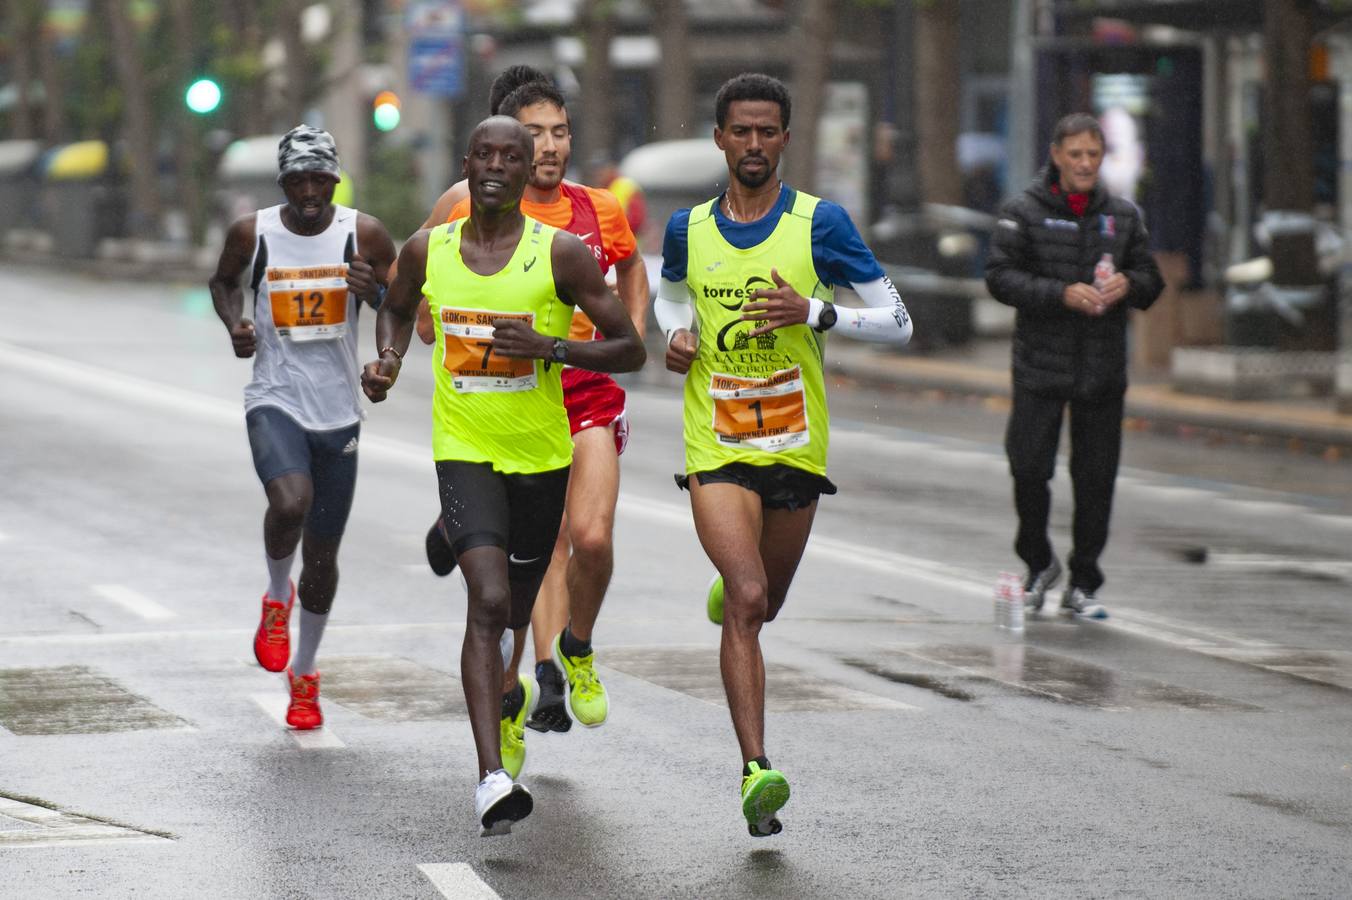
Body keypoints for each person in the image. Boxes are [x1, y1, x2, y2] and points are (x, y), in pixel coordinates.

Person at [361, 116, 644, 836]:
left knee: (516, 614)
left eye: (509, 157)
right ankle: (490, 779)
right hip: (463, 449)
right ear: (466, 165)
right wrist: (388, 363)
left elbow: (629, 349)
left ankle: (513, 690)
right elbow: (395, 310)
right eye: (483, 154)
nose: (495, 166)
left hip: (541, 457)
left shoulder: (564, 256)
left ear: (527, 173)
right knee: (486, 602)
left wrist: (550, 345)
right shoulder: (431, 248)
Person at [654, 73, 912, 837]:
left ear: (786, 140)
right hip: (717, 439)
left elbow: (898, 321)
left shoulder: (820, 225)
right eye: (742, 131)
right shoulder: (687, 228)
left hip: (796, 443)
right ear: (720, 138)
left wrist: (817, 311)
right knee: (749, 598)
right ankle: (755, 770)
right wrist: (674, 335)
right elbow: (667, 292)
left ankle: (740, 587)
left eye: (769, 132)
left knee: (767, 599)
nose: (755, 144)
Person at [414, 77, 649, 743]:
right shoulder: (465, 202)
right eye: (535, 134)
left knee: (593, 539)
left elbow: (630, 267)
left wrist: (629, 326)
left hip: (587, 392)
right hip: (502, 407)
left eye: (560, 132)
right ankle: (525, 689)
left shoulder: (599, 209)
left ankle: (576, 646)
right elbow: (418, 265)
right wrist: (424, 318)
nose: (550, 147)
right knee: (532, 561)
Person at [208, 125, 396, 729]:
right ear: (284, 183)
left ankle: (306, 673)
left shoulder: (361, 233)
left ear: (334, 180)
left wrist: (383, 332)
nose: (310, 191)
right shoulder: (253, 232)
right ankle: (272, 595)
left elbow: (400, 298)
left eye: (320, 179)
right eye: (298, 180)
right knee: (290, 500)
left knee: (323, 558)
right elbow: (222, 280)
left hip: (338, 410)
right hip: (275, 397)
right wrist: (236, 323)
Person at [984, 112, 1164, 620]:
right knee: (1028, 468)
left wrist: (1129, 284)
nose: (1085, 164)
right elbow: (999, 277)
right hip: (1040, 364)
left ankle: (1085, 581)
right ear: (1057, 155)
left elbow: (1151, 279)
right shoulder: (1023, 210)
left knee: (1095, 477)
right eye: (1076, 154)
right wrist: (1061, 294)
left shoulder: (1123, 216)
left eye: (1093, 154)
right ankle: (1039, 563)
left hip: (1102, 369)